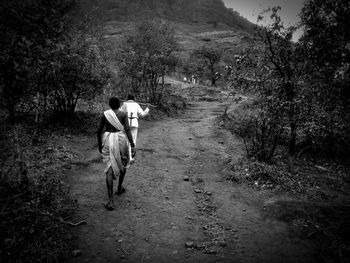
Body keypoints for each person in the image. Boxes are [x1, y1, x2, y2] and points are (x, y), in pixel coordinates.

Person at [97, 97, 136, 211]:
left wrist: (100, 145)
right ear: (119, 105)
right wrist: (132, 145)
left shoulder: (105, 114)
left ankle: (111, 201)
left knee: (109, 168)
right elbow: (127, 130)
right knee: (123, 163)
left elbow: (99, 130)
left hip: (108, 140)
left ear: (109, 104)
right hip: (120, 140)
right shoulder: (123, 114)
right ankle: (119, 187)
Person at [120, 94, 150, 163]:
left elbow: (120, 114)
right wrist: (147, 108)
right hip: (134, 124)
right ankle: (131, 158)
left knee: (127, 140)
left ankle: (127, 157)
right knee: (133, 141)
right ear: (134, 99)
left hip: (126, 124)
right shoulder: (136, 104)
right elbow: (142, 114)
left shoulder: (124, 104)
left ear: (127, 98)